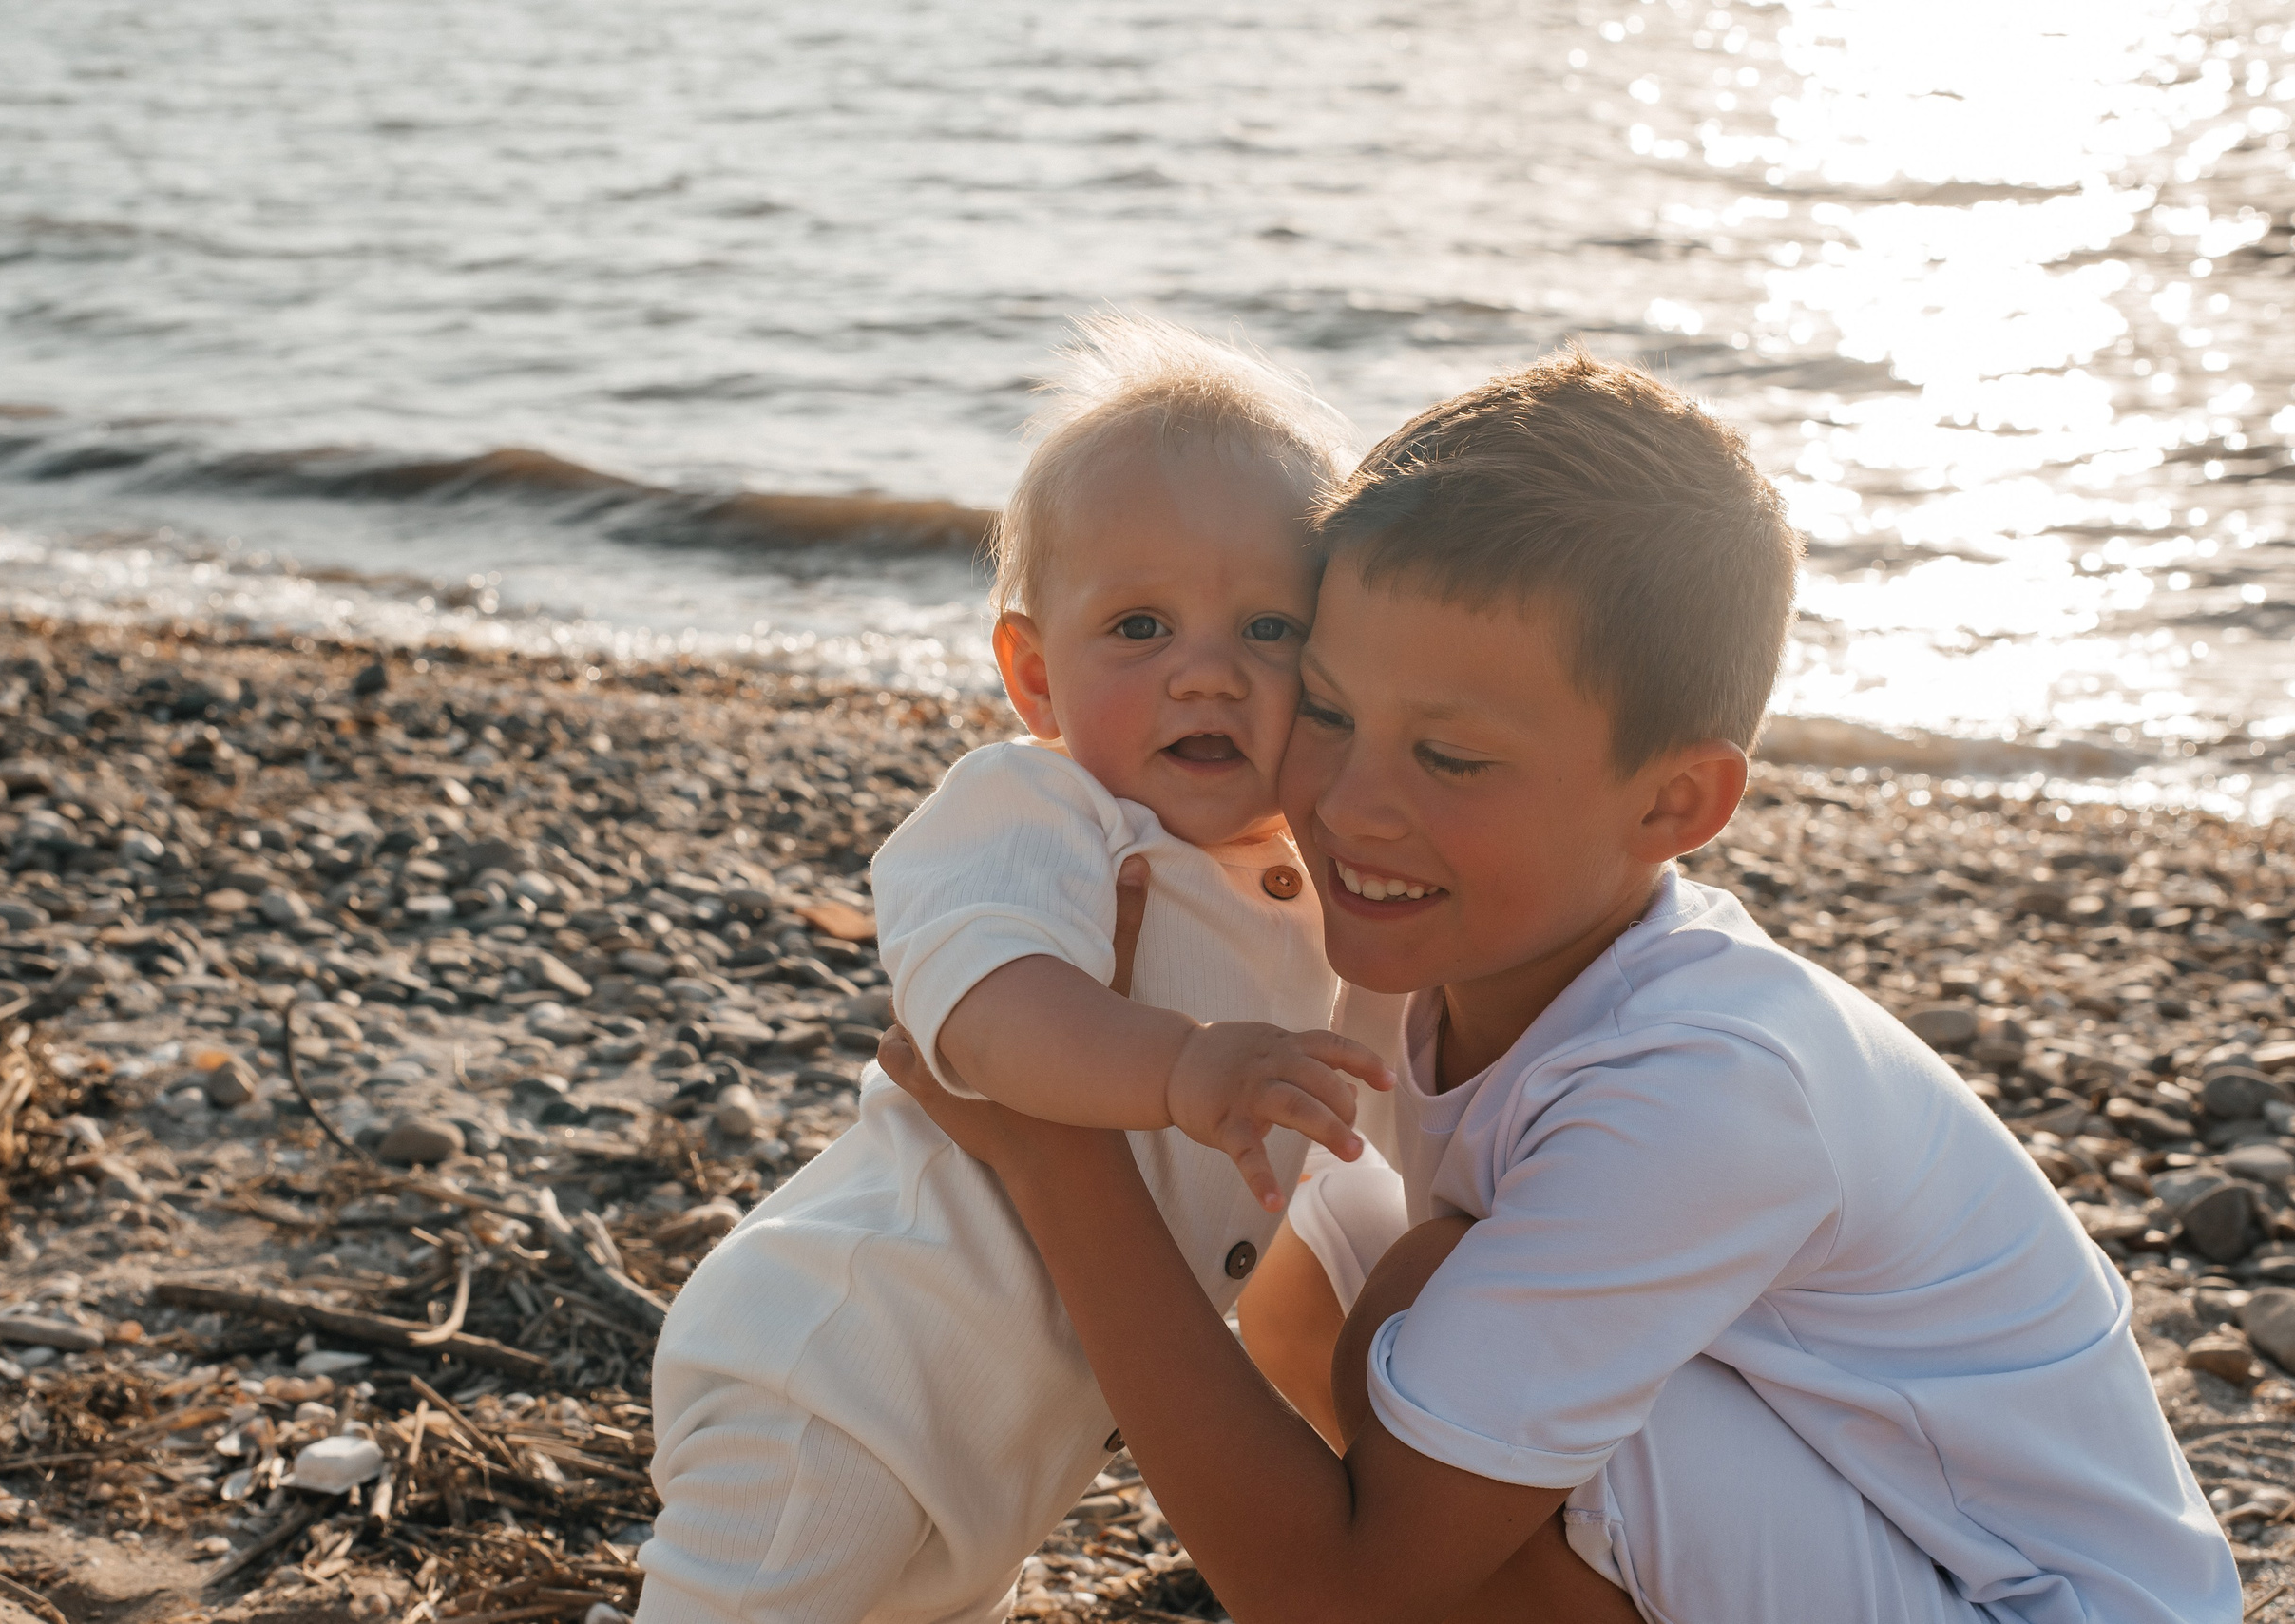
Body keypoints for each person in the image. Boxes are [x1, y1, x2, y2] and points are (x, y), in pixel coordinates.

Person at [878, 349, 2239, 1622]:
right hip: (1883, 1528)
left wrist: (1058, 1145)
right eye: (1333, 711)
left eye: (1452, 761)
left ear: (1675, 800)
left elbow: (1333, 1593)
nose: (1351, 806)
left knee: (1418, 1317)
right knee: (1328, 1248)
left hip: (2033, 1600)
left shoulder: (1702, 1084)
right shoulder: (1476, 947)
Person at [638, 315, 1392, 1624]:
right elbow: (984, 1020)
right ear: (1036, 675)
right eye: (1142, 626)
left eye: (1268, 626)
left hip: (1009, 1439)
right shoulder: (1039, 814)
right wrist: (1182, 1065)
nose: (1206, 671)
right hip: (843, 1371)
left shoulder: (1310, 877)